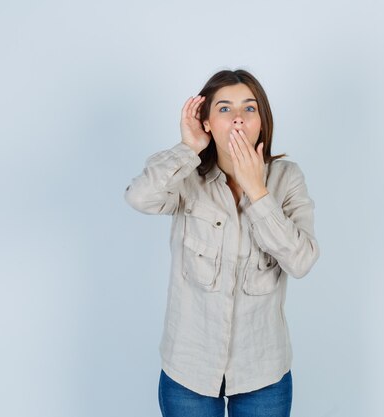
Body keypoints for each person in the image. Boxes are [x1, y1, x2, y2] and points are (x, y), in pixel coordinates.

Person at [124, 69, 319, 417]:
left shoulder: (288, 179)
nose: (239, 119)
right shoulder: (188, 178)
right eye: (225, 109)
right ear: (208, 122)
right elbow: (139, 197)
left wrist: (257, 192)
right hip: (189, 371)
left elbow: (301, 261)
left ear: (262, 120)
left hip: (263, 373)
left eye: (250, 108)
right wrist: (188, 148)